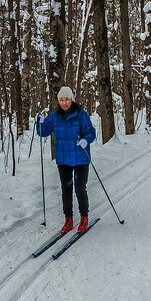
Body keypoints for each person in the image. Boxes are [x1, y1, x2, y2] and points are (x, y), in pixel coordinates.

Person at [37, 86, 97, 232]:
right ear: (59, 101)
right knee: (66, 189)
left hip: (80, 158)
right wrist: (40, 123)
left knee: (79, 188)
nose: (64, 103)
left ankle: (84, 217)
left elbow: (91, 132)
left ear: (72, 99)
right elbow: (43, 132)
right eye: (62, 100)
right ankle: (68, 219)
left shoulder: (81, 114)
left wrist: (85, 140)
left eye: (67, 100)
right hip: (63, 159)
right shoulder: (54, 116)